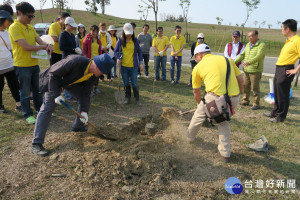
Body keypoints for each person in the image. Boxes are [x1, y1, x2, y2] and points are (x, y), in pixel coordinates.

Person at [31, 54, 114, 156]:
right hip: (53, 81)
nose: (102, 74)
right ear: (97, 66)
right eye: (102, 72)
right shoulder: (75, 61)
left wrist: (84, 112)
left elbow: (85, 94)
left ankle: (77, 126)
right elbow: (52, 74)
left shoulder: (92, 75)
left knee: (85, 101)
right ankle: (36, 143)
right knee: (48, 107)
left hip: (70, 83)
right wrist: (56, 95)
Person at [185, 44, 244, 162]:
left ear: (199, 55)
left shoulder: (198, 67)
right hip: (233, 98)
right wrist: (238, 94)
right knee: (223, 121)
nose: (196, 60)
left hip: (214, 99)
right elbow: (240, 79)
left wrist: (199, 105)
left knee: (198, 116)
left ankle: (188, 138)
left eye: (195, 57)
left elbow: (196, 91)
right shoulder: (227, 60)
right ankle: (225, 153)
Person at [8, 2, 53, 124]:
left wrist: (48, 45)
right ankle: (27, 114)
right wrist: (42, 48)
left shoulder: (30, 27)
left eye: (33, 16)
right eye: (29, 16)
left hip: (34, 64)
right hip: (22, 66)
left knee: (38, 90)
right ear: (19, 13)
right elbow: (26, 47)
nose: (31, 19)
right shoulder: (14, 27)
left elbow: (39, 40)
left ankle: (40, 110)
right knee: (25, 92)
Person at [263, 19, 300, 123]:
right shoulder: (288, 40)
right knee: (277, 92)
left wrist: (295, 70)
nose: (281, 31)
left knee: (283, 94)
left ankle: (280, 117)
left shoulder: (297, 40)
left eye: (282, 28)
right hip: (279, 68)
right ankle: (274, 112)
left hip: (286, 69)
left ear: (287, 29)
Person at [114, 23, 144, 106]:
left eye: (130, 33)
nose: (129, 35)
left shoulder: (135, 40)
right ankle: (127, 98)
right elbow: (116, 51)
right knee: (126, 83)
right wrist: (118, 58)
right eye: (127, 33)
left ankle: (137, 99)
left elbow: (139, 52)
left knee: (134, 83)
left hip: (133, 66)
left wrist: (141, 63)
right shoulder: (120, 40)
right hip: (123, 67)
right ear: (124, 32)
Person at [235, 30, 265, 110]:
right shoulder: (248, 45)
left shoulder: (261, 45)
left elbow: (259, 56)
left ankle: (256, 103)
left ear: (256, 36)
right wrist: (233, 62)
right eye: (248, 36)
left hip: (255, 70)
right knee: (246, 86)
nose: (249, 38)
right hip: (247, 70)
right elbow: (242, 55)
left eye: (251, 36)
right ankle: (245, 100)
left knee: (255, 87)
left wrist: (249, 62)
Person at [0, 10, 21, 113]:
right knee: (0, 86)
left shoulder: (7, 32)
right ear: (2, 20)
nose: (9, 22)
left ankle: (18, 103)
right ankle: (0, 105)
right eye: (8, 20)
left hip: (9, 63)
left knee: (14, 84)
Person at [83, 25, 102, 95]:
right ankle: (89, 90)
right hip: (90, 61)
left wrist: (100, 59)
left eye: (96, 32)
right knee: (90, 76)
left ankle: (95, 88)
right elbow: (84, 51)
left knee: (96, 75)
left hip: (97, 60)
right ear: (91, 31)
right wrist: (86, 60)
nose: (95, 33)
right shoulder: (87, 39)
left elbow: (100, 51)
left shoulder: (98, 41)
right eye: (93, 31)